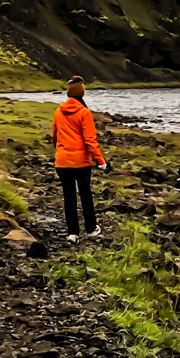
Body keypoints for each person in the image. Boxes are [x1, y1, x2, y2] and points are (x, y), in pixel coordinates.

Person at [50, 76, 106, 240]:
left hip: (62, 161)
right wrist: (100, 161)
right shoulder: (84, 113)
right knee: (86, 195)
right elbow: (90, 140)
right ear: (82, 93)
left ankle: (72, 233)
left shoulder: (58, 111)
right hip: (81, 162)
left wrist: (61, 151)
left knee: (69, 196)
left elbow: (55, 137)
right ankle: (90, 228)